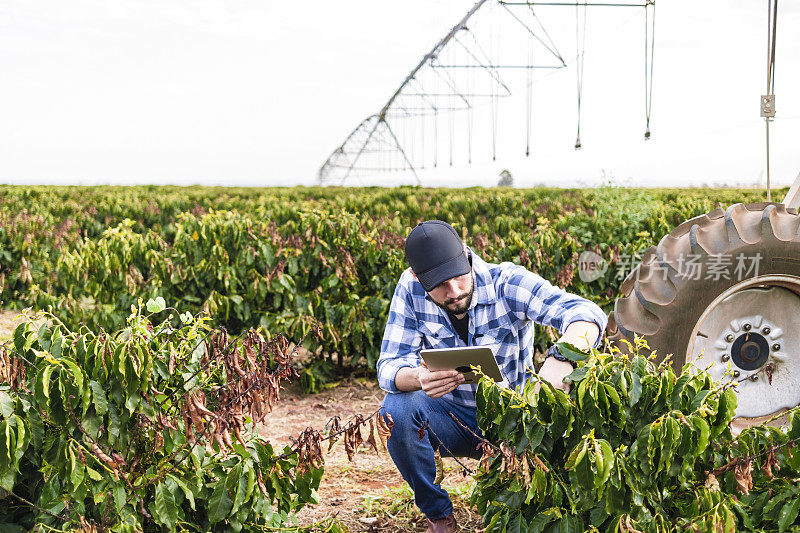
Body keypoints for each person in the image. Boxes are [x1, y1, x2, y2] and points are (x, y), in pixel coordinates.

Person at [377, 220, 606, 533]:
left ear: (467, 257)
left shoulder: (507, 282)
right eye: (439, 285)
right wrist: (417, 377)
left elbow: (585, 312)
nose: (454, 291)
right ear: (418, 278)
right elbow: (389, 363)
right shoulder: (410, 288)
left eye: (458, 277)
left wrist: (563, 354)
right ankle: (439, 516)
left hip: (516, 421)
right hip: (453, 418)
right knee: (396, 411)